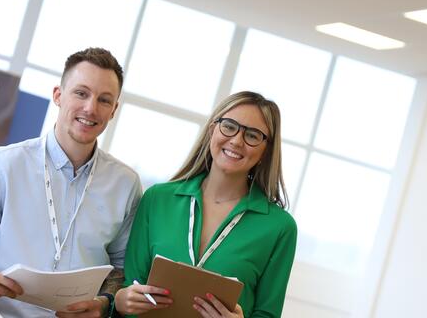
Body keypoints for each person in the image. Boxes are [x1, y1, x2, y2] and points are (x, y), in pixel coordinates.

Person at [0, 47, 142, 318]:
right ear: (58, 95)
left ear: (113, 110)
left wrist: (104, 303)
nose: (91, 108)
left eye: (104, 100)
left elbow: (120, 269)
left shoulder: (125, 185)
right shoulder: (3, 164)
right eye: (81, 93)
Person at [115, 91, 297, 318]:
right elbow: (127, 286)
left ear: (265, 151)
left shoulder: (279, 227)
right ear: (213, 130)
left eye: (252, 135)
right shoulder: (157, 199)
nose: (237, 141)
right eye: (229, 126)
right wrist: (121, 301)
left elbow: (268, 313)